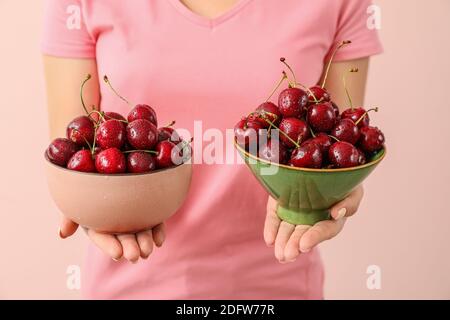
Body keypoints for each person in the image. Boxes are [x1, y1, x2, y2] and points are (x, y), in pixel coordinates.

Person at [43, 0, 382, 299]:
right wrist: (89, 209)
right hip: (128, 283)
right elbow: (74, 153)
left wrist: (336, 192)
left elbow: (338, 142)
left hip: (278, 279)